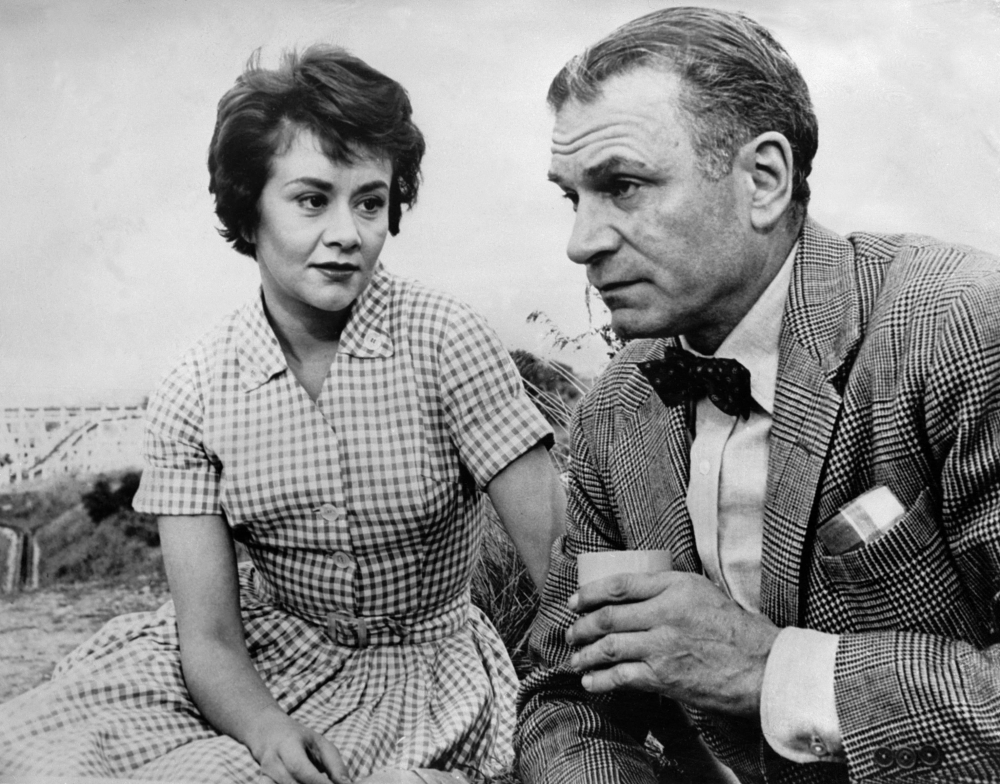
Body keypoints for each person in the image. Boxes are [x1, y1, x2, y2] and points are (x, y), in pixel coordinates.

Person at [0, 45, 565, 784]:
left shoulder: (445, 340)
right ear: (249, 204)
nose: (347, 233)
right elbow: (209, 639)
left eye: (370, 201)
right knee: (36, 748)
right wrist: (264, 730)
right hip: (252, 674)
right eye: (311, 199)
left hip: (423, 679)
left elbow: (559, 564)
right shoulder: (197, 388)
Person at [517, 6, 1000, 783]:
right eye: (573, 197)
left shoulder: (961, 327)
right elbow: (569, 697)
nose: (582, 242)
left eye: (624, 185)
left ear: (764, 180)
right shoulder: (614, 411)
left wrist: (773, 672)